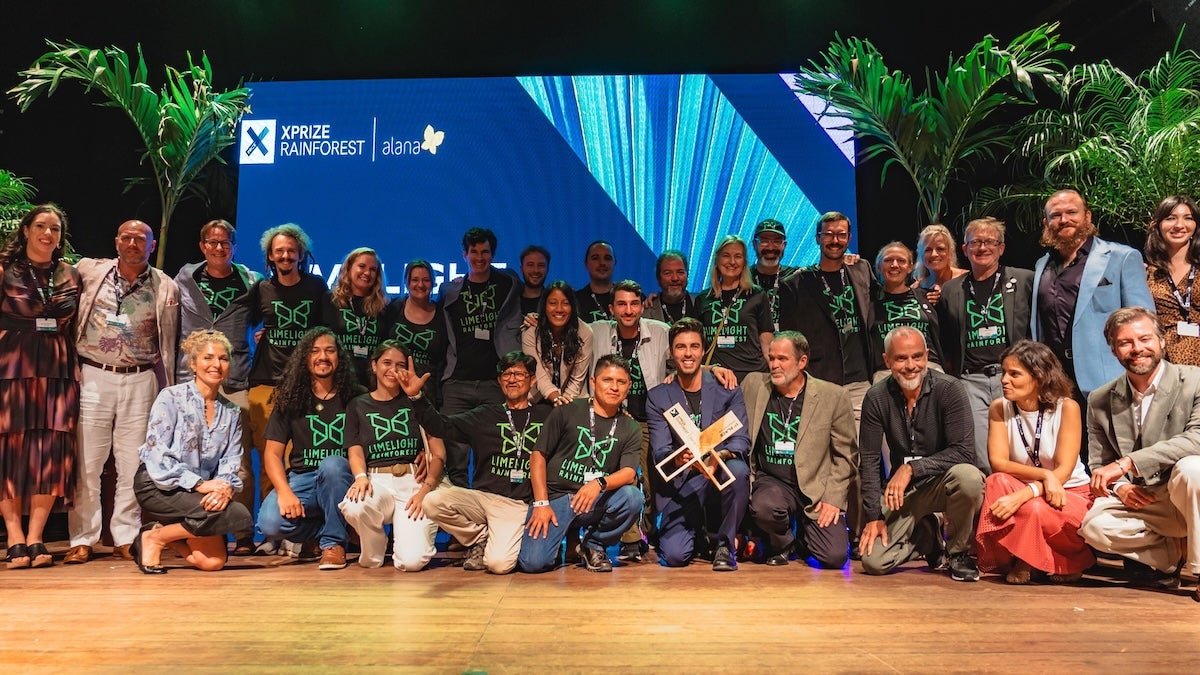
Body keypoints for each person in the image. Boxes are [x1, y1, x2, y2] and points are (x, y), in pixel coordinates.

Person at [67, 219, 179, 565]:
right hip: (94, 374)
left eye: (140, 239)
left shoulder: (165, 285)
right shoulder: (88, 271)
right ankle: (83, 538)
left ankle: (126, 536)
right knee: (88, 461)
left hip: (141, 377)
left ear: (152, 245)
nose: (133, 244)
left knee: (132, 463)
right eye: (127, 238)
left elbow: (170, 340)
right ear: (116, 241)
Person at [1080, 307, 1200, 599]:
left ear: (1161, 341)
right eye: (1125, 342)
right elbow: (1099, 461)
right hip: (1149, 500)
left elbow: (1197, 438)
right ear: (1114, 351)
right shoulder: (1099, 399)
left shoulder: (1195, 380)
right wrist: (1121, 487)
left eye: (1145, 339)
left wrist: (1128, 463)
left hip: (1188, 491)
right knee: (1094, 528)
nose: (1137, 349)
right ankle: (1172, 552)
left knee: (1192, 469)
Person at [405, 351, 551, 574]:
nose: (512, 379)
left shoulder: (546, 416)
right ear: (499, 381)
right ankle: (481, 537)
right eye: (506, 374)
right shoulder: (485, 415)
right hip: (482, 499)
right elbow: (441, 426)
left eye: (519, 374)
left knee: (498, 565)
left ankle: (497, 540)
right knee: (432, 501)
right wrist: (417, 397)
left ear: (532, 380)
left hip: (517, 505)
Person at [857, 326, 984, 582]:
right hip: (903, 494)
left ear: (927, 355)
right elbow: (869, 460)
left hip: (942, 482)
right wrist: (873, 516)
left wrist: (912, 468)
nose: (910, 365)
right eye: (901, 358)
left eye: (917, 356)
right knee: (874, 561)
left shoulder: (950, 389)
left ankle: (958, 553)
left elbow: (963, 452)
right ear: (887, 360)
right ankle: (927, 537)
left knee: (969, 477)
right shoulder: (876, 397)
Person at [244, 223, 336, 553]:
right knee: (269, 459)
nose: (285, 256)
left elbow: (327, 330)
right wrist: (257, 337)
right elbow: (245, 323)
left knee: (299, 460)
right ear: (270, 256)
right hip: (266, 383)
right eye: (279, 251)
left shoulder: (316, 286)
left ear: (300, 254)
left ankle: (304, 535)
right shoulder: (261, 289)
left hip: (304, 385)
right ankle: (274, 535)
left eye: (291, 251)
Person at [173, 219, 262, 555]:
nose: (219, 248)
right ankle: (195, 529)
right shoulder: (185, 279)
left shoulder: (251, 283)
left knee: (239, 462)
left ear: (234, 247)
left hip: (235, 380)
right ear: (202, 246)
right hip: (191, 380)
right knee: (190, 458)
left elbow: (266, 316)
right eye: (212, 242)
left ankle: (242, 533)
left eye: (225, 243)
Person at [131, 330, 253, 573]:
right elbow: (157, 454)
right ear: (194, 364)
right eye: (208, 358)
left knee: (212, 562)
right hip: (160, 485)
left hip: (199, 495)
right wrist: (199, 484)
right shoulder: (171, 397)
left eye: (223, 358)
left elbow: (231, 461)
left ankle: (160, 535)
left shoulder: (231, 412)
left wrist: (224, 488)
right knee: (237, 513)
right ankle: (155, 540)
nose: (216, 364)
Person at [0, 204, 81, 569]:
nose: (48, 234)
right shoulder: (5, 270)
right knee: (10, 450)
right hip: (12, 369)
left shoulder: (70, 274)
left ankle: (36, 537)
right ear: (26, 230)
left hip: (57, 370)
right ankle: (14, 536)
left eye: (55, 229)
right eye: (41, 227)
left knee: (51, 452)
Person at [974, 340, 1094, 584]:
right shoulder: (999, 408)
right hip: (1035, 485)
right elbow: (998, 463)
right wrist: (1044, 476)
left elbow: (1064, 471)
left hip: (1068, 493)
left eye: (1014, 374)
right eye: (1004, 373)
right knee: (996, 481)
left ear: (1039, 377)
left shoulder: (1067, 408)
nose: (1004, 380)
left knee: (1033, 508)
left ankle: (1042, 562)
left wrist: (1028, 492)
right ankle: (1021, 558)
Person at [518, 354, 644, 573]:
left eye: (621, 382)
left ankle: (593, 545)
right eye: (607, 380)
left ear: (628, 386)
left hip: (595, 499)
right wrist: (541, 503)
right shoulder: (567, 410)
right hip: (556, 499)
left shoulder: (631, 427)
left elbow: (628, 473)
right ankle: (562, 539)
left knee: (633, 497)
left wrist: (598, 483)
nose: (614, 387)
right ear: (593, 382)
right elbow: (538, 455)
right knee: (533, 563)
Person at [744, 331, 857, 569]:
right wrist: (712, 370)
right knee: (764, 507)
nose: (774, 365)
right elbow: (706, 376)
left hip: (815, 489)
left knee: (834, 557)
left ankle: (802, 538)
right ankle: (783, 543)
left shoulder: (833, 396)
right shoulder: (754, 384)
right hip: (772, 482)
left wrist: (833, 499)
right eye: (771, 358)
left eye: (782, 359)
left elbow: (846, 456)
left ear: (802, 361)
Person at [256, 327, 365, 570]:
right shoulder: (290, 397)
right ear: (305, 357)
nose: (322, 357)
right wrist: (284, 491)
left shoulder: (357, 397)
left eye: (329, 351)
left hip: (343, 479)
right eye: (315, 351)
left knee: (332, 464)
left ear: (339, 357)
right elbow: (272, 454)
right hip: (303, 478)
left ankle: (333, 544)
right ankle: (326, 530)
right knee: (269, 523)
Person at [647, 318, 751, 571]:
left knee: (738, 471)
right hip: (685, 480)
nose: (688, 353)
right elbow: (660, 451)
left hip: (719, 472)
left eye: (694, 346)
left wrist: (718, 456)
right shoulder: (658, 396)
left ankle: (725, 546)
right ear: (671, 353)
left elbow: (741, 439)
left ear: (703, 351)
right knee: (675, 557)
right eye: (680, 347)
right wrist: (679, 458)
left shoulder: (727, 389)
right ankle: (698, 535)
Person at [1032, 189, 1154, 400]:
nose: (1064, 220)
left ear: (1087, 216)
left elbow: (1144, 321)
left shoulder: (1122, 257)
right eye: (1056, 215)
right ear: (1046, 223)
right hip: (1054, 380)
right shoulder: (1041, 265)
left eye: (1072, 212)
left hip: (1107, 378)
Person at [936, 217, 1034, 471]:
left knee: (1022, 446)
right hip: (971, 381)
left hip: (1014, 375)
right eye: (975, 242)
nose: (982, 248)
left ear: (1001, 248)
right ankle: (990, 494)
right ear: (965, 249)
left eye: (990, 241)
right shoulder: (952, 290)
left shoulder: (1025, 280)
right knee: (981, 453)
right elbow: (945, 340)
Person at [338, 340, 445, 571]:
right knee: (355, 505)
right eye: (386, 363)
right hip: (377, 481)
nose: (393, 370)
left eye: (400, 365)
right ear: (374, 365)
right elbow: (354, 448)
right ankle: (374, 551)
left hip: (414, 483)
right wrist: (360, 477)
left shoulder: (417, 401)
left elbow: (439, 453)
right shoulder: (358, 405)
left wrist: (425, 491)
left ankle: (404, 545)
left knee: (412, 562)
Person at [590, 280, 671, 561]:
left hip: (649, 419)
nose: (628, 310)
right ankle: (630, 538)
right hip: (612, 419)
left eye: (634, 303)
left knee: (650, 482)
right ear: (611, 308)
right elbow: (562, 321)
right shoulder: (597, 331)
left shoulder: (661, 332)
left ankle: (644, 534)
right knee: (624, 478)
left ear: (642, 307)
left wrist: (715, 368)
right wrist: (534, 317)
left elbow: (688, 355)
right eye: (621, 304)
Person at [439, 227, 522, 487]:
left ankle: (487, 503)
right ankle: (458, 509)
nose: (479, 257)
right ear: (464, 254)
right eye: (473, 252)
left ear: (492, 254)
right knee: (455, 456)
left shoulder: (509, 283)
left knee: (493, 450)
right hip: (457, 383)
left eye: (485, 252)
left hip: (493, 383)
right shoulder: (449, 290)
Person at [779, 211, 875, 423]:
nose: (835, 241)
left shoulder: (862, 269)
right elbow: (788, 338)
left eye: (841, 235)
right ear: (817, 238)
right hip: (819, 380)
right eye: (828, 234)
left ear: (849, 238)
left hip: (860, 381)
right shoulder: (795, 284)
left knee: (859, 443)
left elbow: (884, 301)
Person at [693, 235, 772, 381]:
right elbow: (696, 342)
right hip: (715, 377)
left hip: (752, 376)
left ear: (744, 262)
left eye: (738, 256)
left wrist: (774, 373)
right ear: (717, 260)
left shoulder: (757, 295)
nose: (732, 262)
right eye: (726, 255)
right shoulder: (703, 299)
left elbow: (766, 341)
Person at [868, 241, 943, 380]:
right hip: (887, 371)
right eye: (888, 260)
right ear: (878, 267)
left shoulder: (928, 297)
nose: (894, 265)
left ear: (910, 267)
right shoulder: (868, 301)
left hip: (927, 366)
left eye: (901, 261)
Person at [1143, 195, 1200, 365]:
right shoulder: (1147, 273)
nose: (1179, 225)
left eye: (1188, 218)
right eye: (1170, 218)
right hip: (1163, 362)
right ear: (1157, 225)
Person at [382, 260, 447, 404]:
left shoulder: (442, 314)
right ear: (406, 282)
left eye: (426, 280)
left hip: (427, 392)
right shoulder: (393, 308)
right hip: (393, 386)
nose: (420, 285)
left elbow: (443, 359)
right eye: (415, 280)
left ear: (433, 283)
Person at [522, 281, 592, 405]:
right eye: (553, 303)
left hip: (572, 399)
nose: (559, 309)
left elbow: (577, 379)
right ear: (544, 306)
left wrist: (564, 402)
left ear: (572, 307)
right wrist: (556, 398)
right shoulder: (531, 331)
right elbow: (539, 374)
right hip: (538, 398)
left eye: (565, 303)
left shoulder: (584, 332)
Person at [331, 247, 388, 387]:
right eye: (361, 266)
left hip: (373, 384)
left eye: (373, 269)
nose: (367, 273)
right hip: (338, 381)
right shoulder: (331, 301)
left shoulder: (384, 307)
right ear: (349, 268)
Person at [750, 219, 798, 331]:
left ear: (784, 245)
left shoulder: (796, 277)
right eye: (764, 241)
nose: (770, 247)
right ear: (754, 244)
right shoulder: (742, 278)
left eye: (777, 241)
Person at [912, 224, 967, 304]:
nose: (934, 254)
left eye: (940, 249)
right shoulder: (918, 287)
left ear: (950, 252)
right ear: (920, 254)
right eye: (928, 250)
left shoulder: (966, 279)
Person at [643, 250, 694, 325]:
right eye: (668, 273)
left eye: (680, 272)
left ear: (687, 275)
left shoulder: (700, 303)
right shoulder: (647, 310)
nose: (675, 278)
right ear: (658, 278)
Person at [575, 240, 616, 322]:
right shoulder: (575, 301)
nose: (602, 263)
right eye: (595, 258)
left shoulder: (630, 298)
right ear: (586, 264)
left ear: (615, 263)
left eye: (607, 258)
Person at [519, 245, 550, 316]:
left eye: (541, 265)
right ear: (521, 269)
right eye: (530, 265)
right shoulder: (510, 303)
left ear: (547, 269)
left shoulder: (554, 304)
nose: (535, 270)